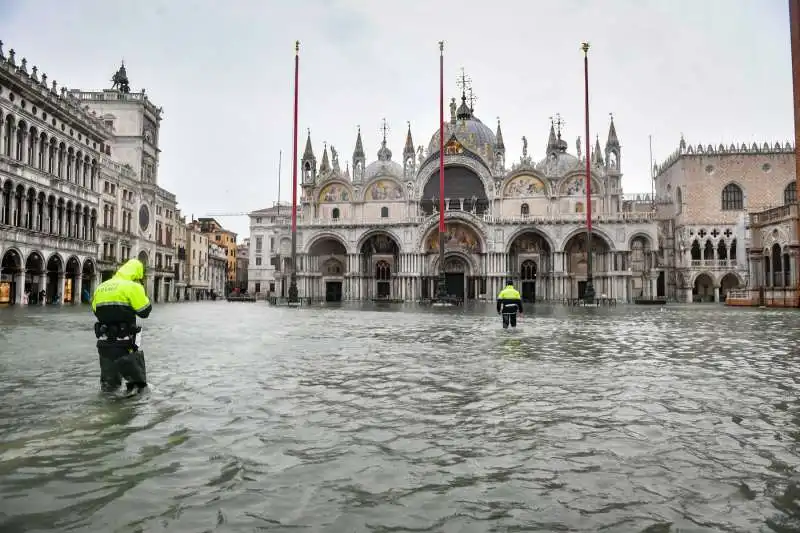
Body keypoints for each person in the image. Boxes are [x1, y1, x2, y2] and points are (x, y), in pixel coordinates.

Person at [91, 258, 152, 394]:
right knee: (138, 389)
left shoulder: (101, 287)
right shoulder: (133, 287)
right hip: (125, 346)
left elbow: (95, 310)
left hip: (104, 345)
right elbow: (145, 311)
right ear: (137, 274)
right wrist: (141, 290)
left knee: (109, 388)